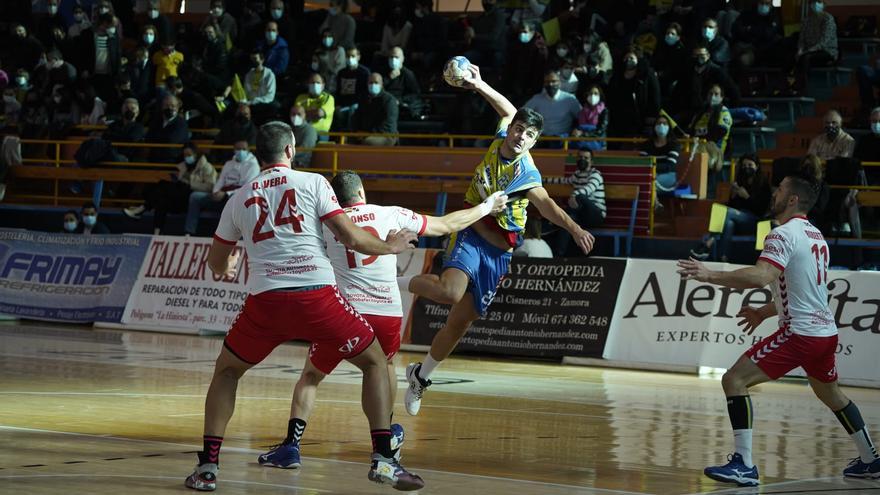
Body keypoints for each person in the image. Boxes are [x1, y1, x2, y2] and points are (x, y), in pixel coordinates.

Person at [184, 122, 423, 492]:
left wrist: (228, 265)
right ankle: (384, 461)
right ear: (291, 151)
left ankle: (208, 468)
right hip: (316, 297)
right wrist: (389, 247)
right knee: (376, 362)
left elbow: (216, 262)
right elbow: (350, 236)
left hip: (266, 302)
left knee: (227, 371)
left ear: (257, 156)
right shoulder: (313, 182)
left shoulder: (238, 196)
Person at [256, 169, 506, 470]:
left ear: (335, 199)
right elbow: (445, 224)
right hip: (387, 313)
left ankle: (291, 447)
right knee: (381, 368)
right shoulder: (391, 214)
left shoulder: (327, 224)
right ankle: (384, 439)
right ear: (361, 193)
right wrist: (487, 207)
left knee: (311, 377)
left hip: (345, 313)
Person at [400, 64, 595, 415]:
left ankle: (421, 376)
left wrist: (575, 228)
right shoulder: (500, 135)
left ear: (534, 141)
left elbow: (547, 205)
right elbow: (506, 108)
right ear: (511, 130)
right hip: (473, 226)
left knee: (462, 320)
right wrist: (478, 84)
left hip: (501, 249)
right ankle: (394, 280)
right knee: (449, 291)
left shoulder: (526, 171)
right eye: (519, 129)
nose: (521, 137)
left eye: (529, 135)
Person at [676, 172, 880, 488]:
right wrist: (762, 311)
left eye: (781, 189)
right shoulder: (815, 236)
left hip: (800, 333)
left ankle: (744, 465)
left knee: (734, 379)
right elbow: (810, 292)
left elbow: (761, 276)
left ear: (793, 199)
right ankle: (870, 460)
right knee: (832, 393)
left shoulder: (782, 234)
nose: (775, 192)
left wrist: (709, 274)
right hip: (824, 334)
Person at [690, 154, 771, 262]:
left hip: (755, 222)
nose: (747, 167)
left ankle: (709, 240)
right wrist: (733, 197)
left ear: (756, 166)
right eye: (744, 165)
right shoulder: (740, 182)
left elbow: (761, 210)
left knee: (726, 212)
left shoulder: (763, 185)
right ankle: (723, 257)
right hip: (738, 220)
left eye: (750, 165)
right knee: (729, 223)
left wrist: (747, 197)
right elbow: (733, 207)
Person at [124, 142, 217, 234]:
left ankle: (142, 208)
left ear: (195, 154)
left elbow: (211, 187)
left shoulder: (207, 167)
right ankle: (157, 233)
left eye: (189, 154)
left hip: (192, 198)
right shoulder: (183, 166)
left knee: (163, 186)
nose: (187, 157)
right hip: (179, 197)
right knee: (161, 200)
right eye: (185, 155)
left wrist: (191, 185)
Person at [184, 140, 259, 236]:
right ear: (234, 150)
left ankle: (228, 236)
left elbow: (247, 188)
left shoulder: (252, 165)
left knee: (233, 198)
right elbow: (221, 180)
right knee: (195, 197)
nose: (241, 151)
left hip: (236, 198)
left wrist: (226, 194)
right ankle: (189, 232)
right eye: (238, 149)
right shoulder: (228, 164)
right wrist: (216, 191)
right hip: (220, 195)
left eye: (243, 149)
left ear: (248, 150)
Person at [551, 148, 605, 256]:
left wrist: (574, 196)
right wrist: (541, 180)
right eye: (580, 157)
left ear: (591, 161)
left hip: (596, 215)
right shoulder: (577, 175)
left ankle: (553, 222)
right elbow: (563, 181)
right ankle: (558, 255)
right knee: (567, 220)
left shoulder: (596, 174)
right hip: (582, 215)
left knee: (580, 197)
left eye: (586, 158)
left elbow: (588, 189)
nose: (582, 160)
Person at [524, 70, 581, 147]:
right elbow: (523, 114)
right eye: (547, 82)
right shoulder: (537, 99)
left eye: (554, 81)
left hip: (563, 142)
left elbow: (581, 117)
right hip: (542, 140)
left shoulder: (570, 99)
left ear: (559, 82)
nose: (550, 84)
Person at [791, 0, 838, 93]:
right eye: (813, 2)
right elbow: (802, 39)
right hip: (807, 50)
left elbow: (824, 41)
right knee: (791, 57)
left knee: (806, 58)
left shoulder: (828, 19)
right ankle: (785, 85)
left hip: (826, 51)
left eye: (819, 1)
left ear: (824, 4)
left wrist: (807, 51)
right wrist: (800, 49)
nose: (816, 4)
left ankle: (802, 88)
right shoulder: (806, 20)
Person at [352, 73, 398, 146]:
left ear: (381, 84)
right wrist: (357, 131)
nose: (373, 85)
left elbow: (388, 123)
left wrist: (368, 133)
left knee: (368, 142)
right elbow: (357, 116)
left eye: (376, 83)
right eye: (370, 83)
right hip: (364, 133)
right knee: (345, 139)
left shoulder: (389, 100)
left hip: (386, 136)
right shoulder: (364, 98)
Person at [641, 114, 682, 196]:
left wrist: (652, 166)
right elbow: (642, 163)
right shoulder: (646, 145)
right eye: (659, 123)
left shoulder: (674, 145)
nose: (661, 125)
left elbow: (670, 166)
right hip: (650, 175)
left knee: (651, 184)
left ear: (669, 127)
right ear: (654, 127)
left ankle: (654, 205)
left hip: (668, 176)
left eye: (665, 123)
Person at [146, 95, 189, 164]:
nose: (169, 108)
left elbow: (171, 140)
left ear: (177, 108)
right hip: (154, 159)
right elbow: (148, 138)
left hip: (173, 160)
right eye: (166, 105)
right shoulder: (156, 121)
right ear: (162, 107)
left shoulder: (181, 123)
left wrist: (157, 138)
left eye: (172, 105)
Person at [242, 50, 279, 124]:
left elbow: (270, 96)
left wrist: (255, 101)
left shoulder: (269, 75)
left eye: (255, 58)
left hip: (263, 103)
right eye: (252, 59)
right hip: (250, 103)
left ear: (262, 60)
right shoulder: (248, 75)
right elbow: (246, 92)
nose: (253, 61)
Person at [294, 74, 335, 138]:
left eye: (318, 83)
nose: (315, 85)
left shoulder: (328, 98)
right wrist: (313, 113)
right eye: (312, 83)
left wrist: (303, 113)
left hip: (320, 133)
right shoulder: (300, 98)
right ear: (308, 84)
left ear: (323, 85)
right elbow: (296, 116)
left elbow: (319, 113)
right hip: (302, 131)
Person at [572, 84, 608, 151]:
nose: (593, 96)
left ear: (600, 96)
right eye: (590, 93)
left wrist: (583, 134)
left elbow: (600, 131)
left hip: (598, 143)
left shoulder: (604, 111)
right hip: (581, 144)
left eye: (596, 94)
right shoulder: (581, 111)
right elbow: (576, 127)